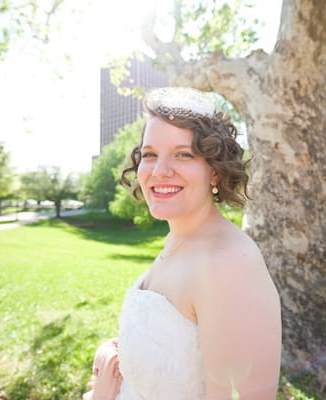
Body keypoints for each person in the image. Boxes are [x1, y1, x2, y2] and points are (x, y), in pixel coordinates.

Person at [84, 87, 281, 400]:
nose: (160, 171)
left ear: (214, 171)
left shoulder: (229, 264)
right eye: (150, 154)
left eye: (183, 154)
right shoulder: (179, 239)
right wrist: (114, 357)